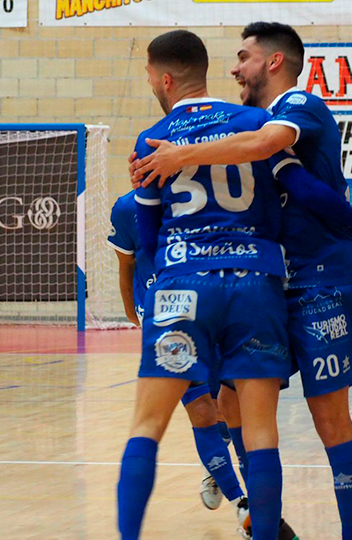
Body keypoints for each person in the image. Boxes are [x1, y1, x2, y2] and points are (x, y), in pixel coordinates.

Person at [131, 22, 352, 540]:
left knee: (330, 421)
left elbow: (270, 151)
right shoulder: (250, 122)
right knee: (230, 402)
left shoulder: (297, 107)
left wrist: (176, 155)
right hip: (266, 285)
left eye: (243, 57)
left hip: (320, 281)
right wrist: (156, 164)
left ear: (272, 63)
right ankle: (266, 522)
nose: (234, 68)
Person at [116, 30, 297, 540]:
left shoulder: (153, 137)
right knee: (260, 432)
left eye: (151, 75)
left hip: (181, 283)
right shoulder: (256, 123)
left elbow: (146, 234)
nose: (151, 82)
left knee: (147, 426)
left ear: (165, 78)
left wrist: (158, 291)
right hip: (253, 282)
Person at [109, 190, 262, 534]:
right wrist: (133, 312)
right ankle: (243, 504)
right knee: (201, 411)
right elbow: (126, 262)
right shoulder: (127, 207)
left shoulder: (207, 196)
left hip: (214, 307)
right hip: (166, 313)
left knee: (229, 408)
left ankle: (221, 467)